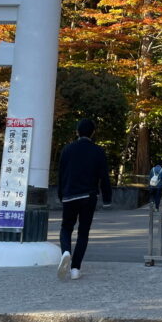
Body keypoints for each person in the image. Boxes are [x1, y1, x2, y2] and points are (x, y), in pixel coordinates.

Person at [56, 118, 113, 281]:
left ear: (77, 132)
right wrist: (107, 199)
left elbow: (61, 175)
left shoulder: (67, 150)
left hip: (69, 195)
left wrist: (61, 194)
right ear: (93, 133)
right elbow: (104, 177)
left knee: (66, 228)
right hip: (89, 196)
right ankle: (75, 269)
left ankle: (66, 251)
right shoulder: (98, 151)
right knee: (83, 232)